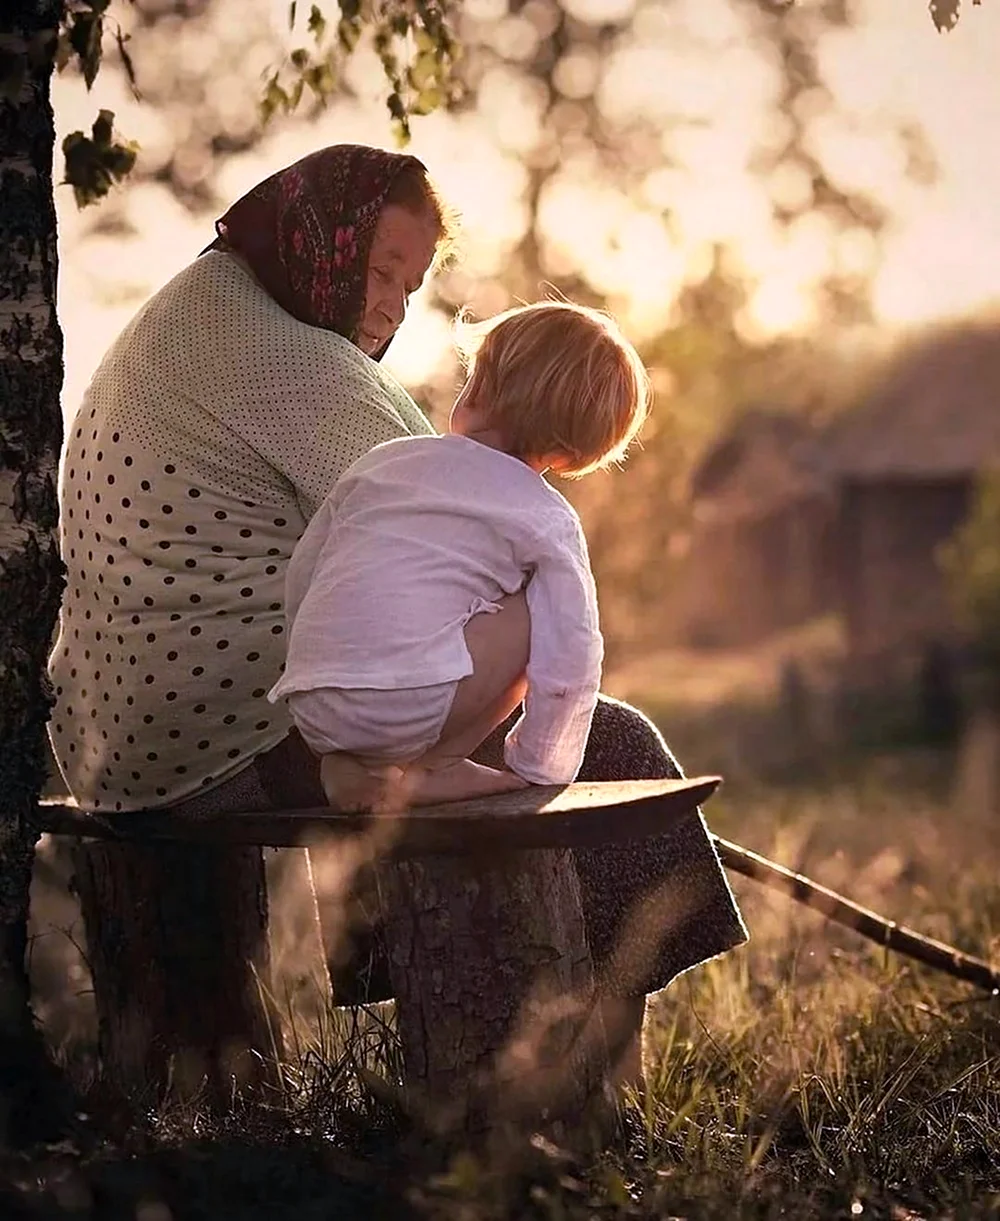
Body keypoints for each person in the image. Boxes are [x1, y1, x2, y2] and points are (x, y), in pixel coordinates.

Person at [48, 143, 746, 1088]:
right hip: (219, 745)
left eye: (410, 287)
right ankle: (580, 1080)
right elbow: (471, 513)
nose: (389, 304)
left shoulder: (202, 310)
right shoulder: (294, 364)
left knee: (501, 721)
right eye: (380, 270)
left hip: (118, 736)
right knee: (606, 741)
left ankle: (542, 1042)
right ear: (320, 239)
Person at [269, 300, 649, 814]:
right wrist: (542, 767)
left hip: (313, 702)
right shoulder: (545, 515)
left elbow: (305, 573)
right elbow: (573, 651)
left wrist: (313, 665)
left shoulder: (383, 463)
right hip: (408, 707)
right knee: (542, 612)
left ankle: (350, 766)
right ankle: (435, 765)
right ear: (570, 455)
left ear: (476, 388)